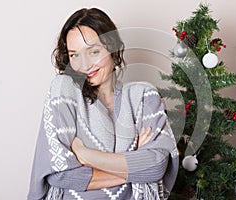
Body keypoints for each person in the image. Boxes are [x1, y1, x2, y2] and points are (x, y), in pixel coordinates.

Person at [28, 8, 178, 200]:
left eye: (94, 51)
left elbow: (156, 166)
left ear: (112, 48)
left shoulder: (143, 95)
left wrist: (85, 155)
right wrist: (132, 164)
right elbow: (61, 174)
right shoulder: (64, 93)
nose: (85, 65)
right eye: (74, 55)